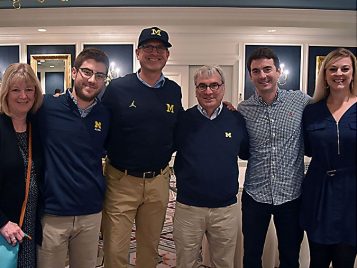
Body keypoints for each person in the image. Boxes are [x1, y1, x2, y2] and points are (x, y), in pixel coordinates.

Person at [101, 26, 183, 268]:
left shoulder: (173, 91)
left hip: (158, 181)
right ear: (138, 53)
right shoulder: (117, 89)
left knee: (150, 248)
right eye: (148, 47)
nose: (154, 53)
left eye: (160, 48)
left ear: (167, 55)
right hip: (121, 181)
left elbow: (178, 129)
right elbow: (100, 126)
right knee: (115, 248)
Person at [36, 47, 110, 268]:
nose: (92, 80)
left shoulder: (106, 115)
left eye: (99, 75)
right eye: (87, 72)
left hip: (90, 212)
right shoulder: (46, 107)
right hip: (53, 213)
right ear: (74, 72)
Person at [237, 47, 310, 268]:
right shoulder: (243, 109)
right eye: (256, 71)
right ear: (251, 76)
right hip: (255, 194)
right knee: (251, 256)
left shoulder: (300, 101)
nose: (262, 75)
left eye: (267, 69)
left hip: (291, 195)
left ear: (278, 72)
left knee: (289, 257)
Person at [173, 65, 249, 268]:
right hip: (188, 208)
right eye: (202, 86)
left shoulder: (236, 119)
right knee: (185, 262)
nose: (208, 91)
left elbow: (246, 152)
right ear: (195, 89)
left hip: (225, 209)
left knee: (223, 262)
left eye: (214, 85)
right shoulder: (183, 120)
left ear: (223, 87)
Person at [301, 48, 357, 268]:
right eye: (332, 69)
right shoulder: (311, 111)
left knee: (345, 260)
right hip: (319, 193)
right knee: (318, 261)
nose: (338, 73)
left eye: (345, 68)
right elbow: (307, 148)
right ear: (324, 75)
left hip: (351, 195)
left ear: (353, 73)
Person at [0, 63, 43, 268]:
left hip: (31, 220)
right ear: (6, 93)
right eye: (16, 90)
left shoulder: (38, 125)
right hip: (6, 224)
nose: (23, 96)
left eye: (29, 89)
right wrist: (1, 222)